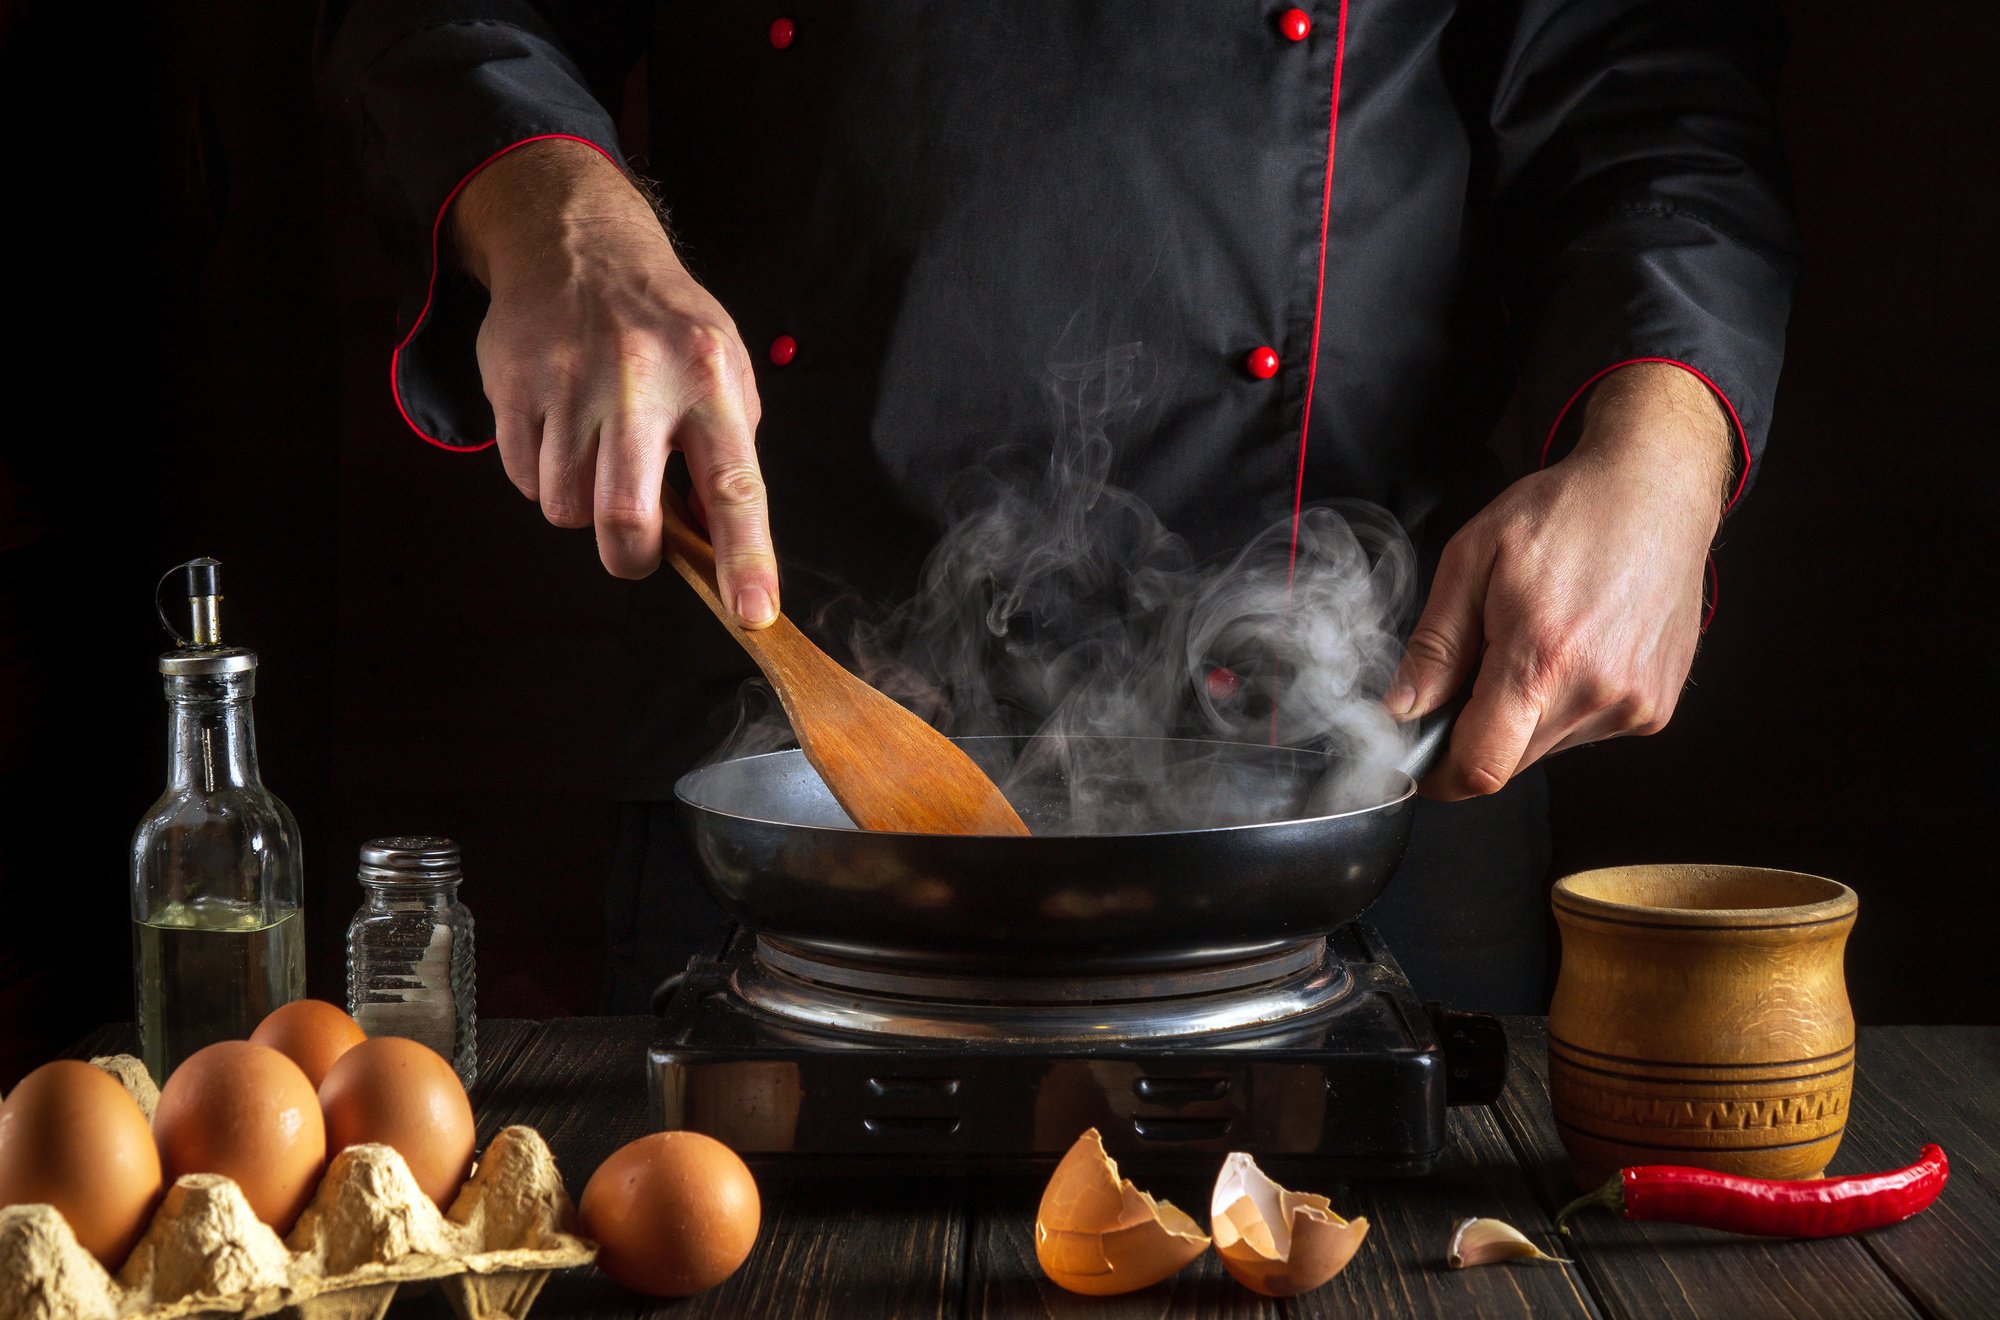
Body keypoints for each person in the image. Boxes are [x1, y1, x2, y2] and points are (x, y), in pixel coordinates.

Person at [318, 1, 1799, 1013]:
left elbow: (1651, 87)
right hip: (790, 758)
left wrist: (1663, 455)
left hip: (1363, 784)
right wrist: (559, 214)